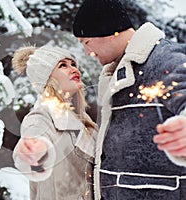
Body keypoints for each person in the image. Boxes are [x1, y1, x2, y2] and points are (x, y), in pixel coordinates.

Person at [73, 0, 186, 199]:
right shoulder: (120, 70)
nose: (87, 53)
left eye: (86, 42)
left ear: (106, 32)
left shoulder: (163, 60)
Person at [12, 45, 97, 200]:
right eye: (62, 65)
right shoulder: (41, 117)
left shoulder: (83, 120)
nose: (73, 69)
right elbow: (30, 148)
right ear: (46, 78)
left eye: (73, 64)